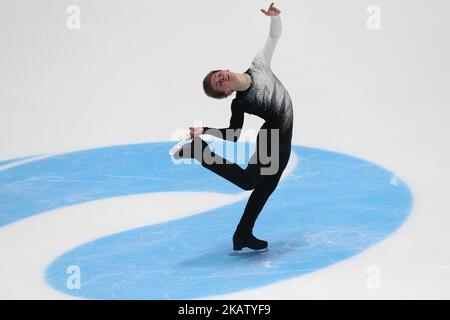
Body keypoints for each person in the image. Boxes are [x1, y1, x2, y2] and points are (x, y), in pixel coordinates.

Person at [173, 3, 293, 252]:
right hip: (273, 135)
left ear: (225, 69)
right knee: (250, 181)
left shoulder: (259, 64)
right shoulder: (239, 104)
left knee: (266, 185)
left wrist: (275, 18)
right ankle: (200, 152)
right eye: (218, 85)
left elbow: (274, 36)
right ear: (226, 92)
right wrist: (206, 131)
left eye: (218, 75)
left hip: (282, 132)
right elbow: (234, 134)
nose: (221, 79)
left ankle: (242, 235)